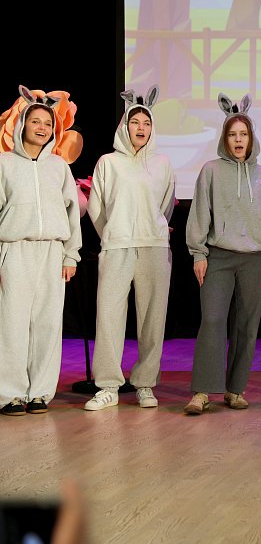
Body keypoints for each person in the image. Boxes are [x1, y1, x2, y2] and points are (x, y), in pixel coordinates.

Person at [183, 93, 261, 415]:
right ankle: (202, 392)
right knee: (212, 320)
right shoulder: (211, 171)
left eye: (243, 134)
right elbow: (200, 213)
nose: (238, 140)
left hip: (255, 258)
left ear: (251, 138)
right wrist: (199, 253)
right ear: (224, 139)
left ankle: (235, 389)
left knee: (246, 326)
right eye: (232, 134)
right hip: (219, 256)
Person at [84, 86, 176, 411]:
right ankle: (108, 386)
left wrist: (153, 229)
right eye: (135, 122)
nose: (141, 128)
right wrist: (112, 234)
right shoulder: (108, 163)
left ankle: (145, 383)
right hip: (117, 246)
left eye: (146, 123)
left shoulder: (162, 163)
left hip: (153, 247)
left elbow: (165, 206)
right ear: (124, 126)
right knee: (109, 316)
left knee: (153, 318)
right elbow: (97, 207)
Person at [0, 89, 81, 416]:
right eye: (35, 121)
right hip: (15, 250)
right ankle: (10, 393)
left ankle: (39, 393)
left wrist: (70, 255)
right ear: (22, 125)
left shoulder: (59, 167)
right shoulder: (4, 164)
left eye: (47, 123)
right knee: (12, 324)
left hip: (51, 252)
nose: (42, 127)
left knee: (48, 325)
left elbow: (72, 214)